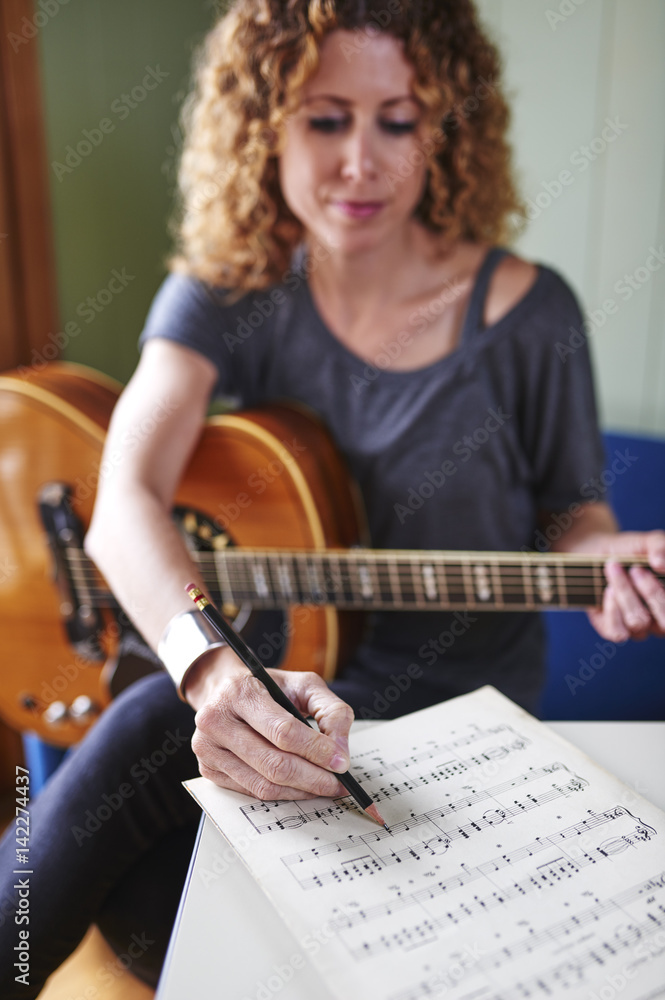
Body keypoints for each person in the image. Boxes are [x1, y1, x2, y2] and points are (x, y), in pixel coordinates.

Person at [1, 0, 664, 994]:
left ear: (446, 127)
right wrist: (210, 671)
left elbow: (576, 527)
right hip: (266, 730)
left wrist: (612, 574)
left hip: (456, 757)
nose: (360, 162)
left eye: (396, 119)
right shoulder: (228, 290)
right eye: (323, 118)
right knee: (150, 740)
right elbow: (122, 499)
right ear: (263, 123)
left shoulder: (530, 314)